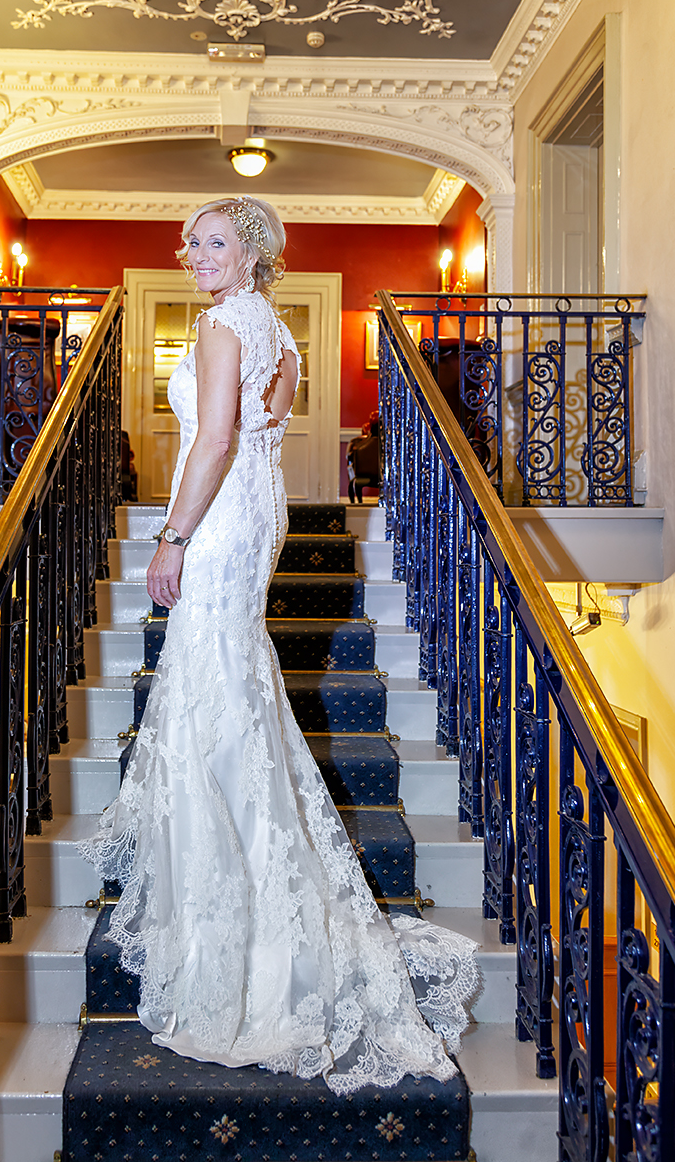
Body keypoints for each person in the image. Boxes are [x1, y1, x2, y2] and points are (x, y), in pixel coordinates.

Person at [79, 196, 478, 1096]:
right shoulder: (278, 330)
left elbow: (217, 439)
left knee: (213, 688)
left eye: (214, 242)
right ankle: (256, 883)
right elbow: (268, 423)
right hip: (258, 514)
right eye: (191, 241)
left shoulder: (224, 323)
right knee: (229, 683)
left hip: (220, 520)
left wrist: (172, 538)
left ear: (251, 252)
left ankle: (236, 921)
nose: (194, 254)